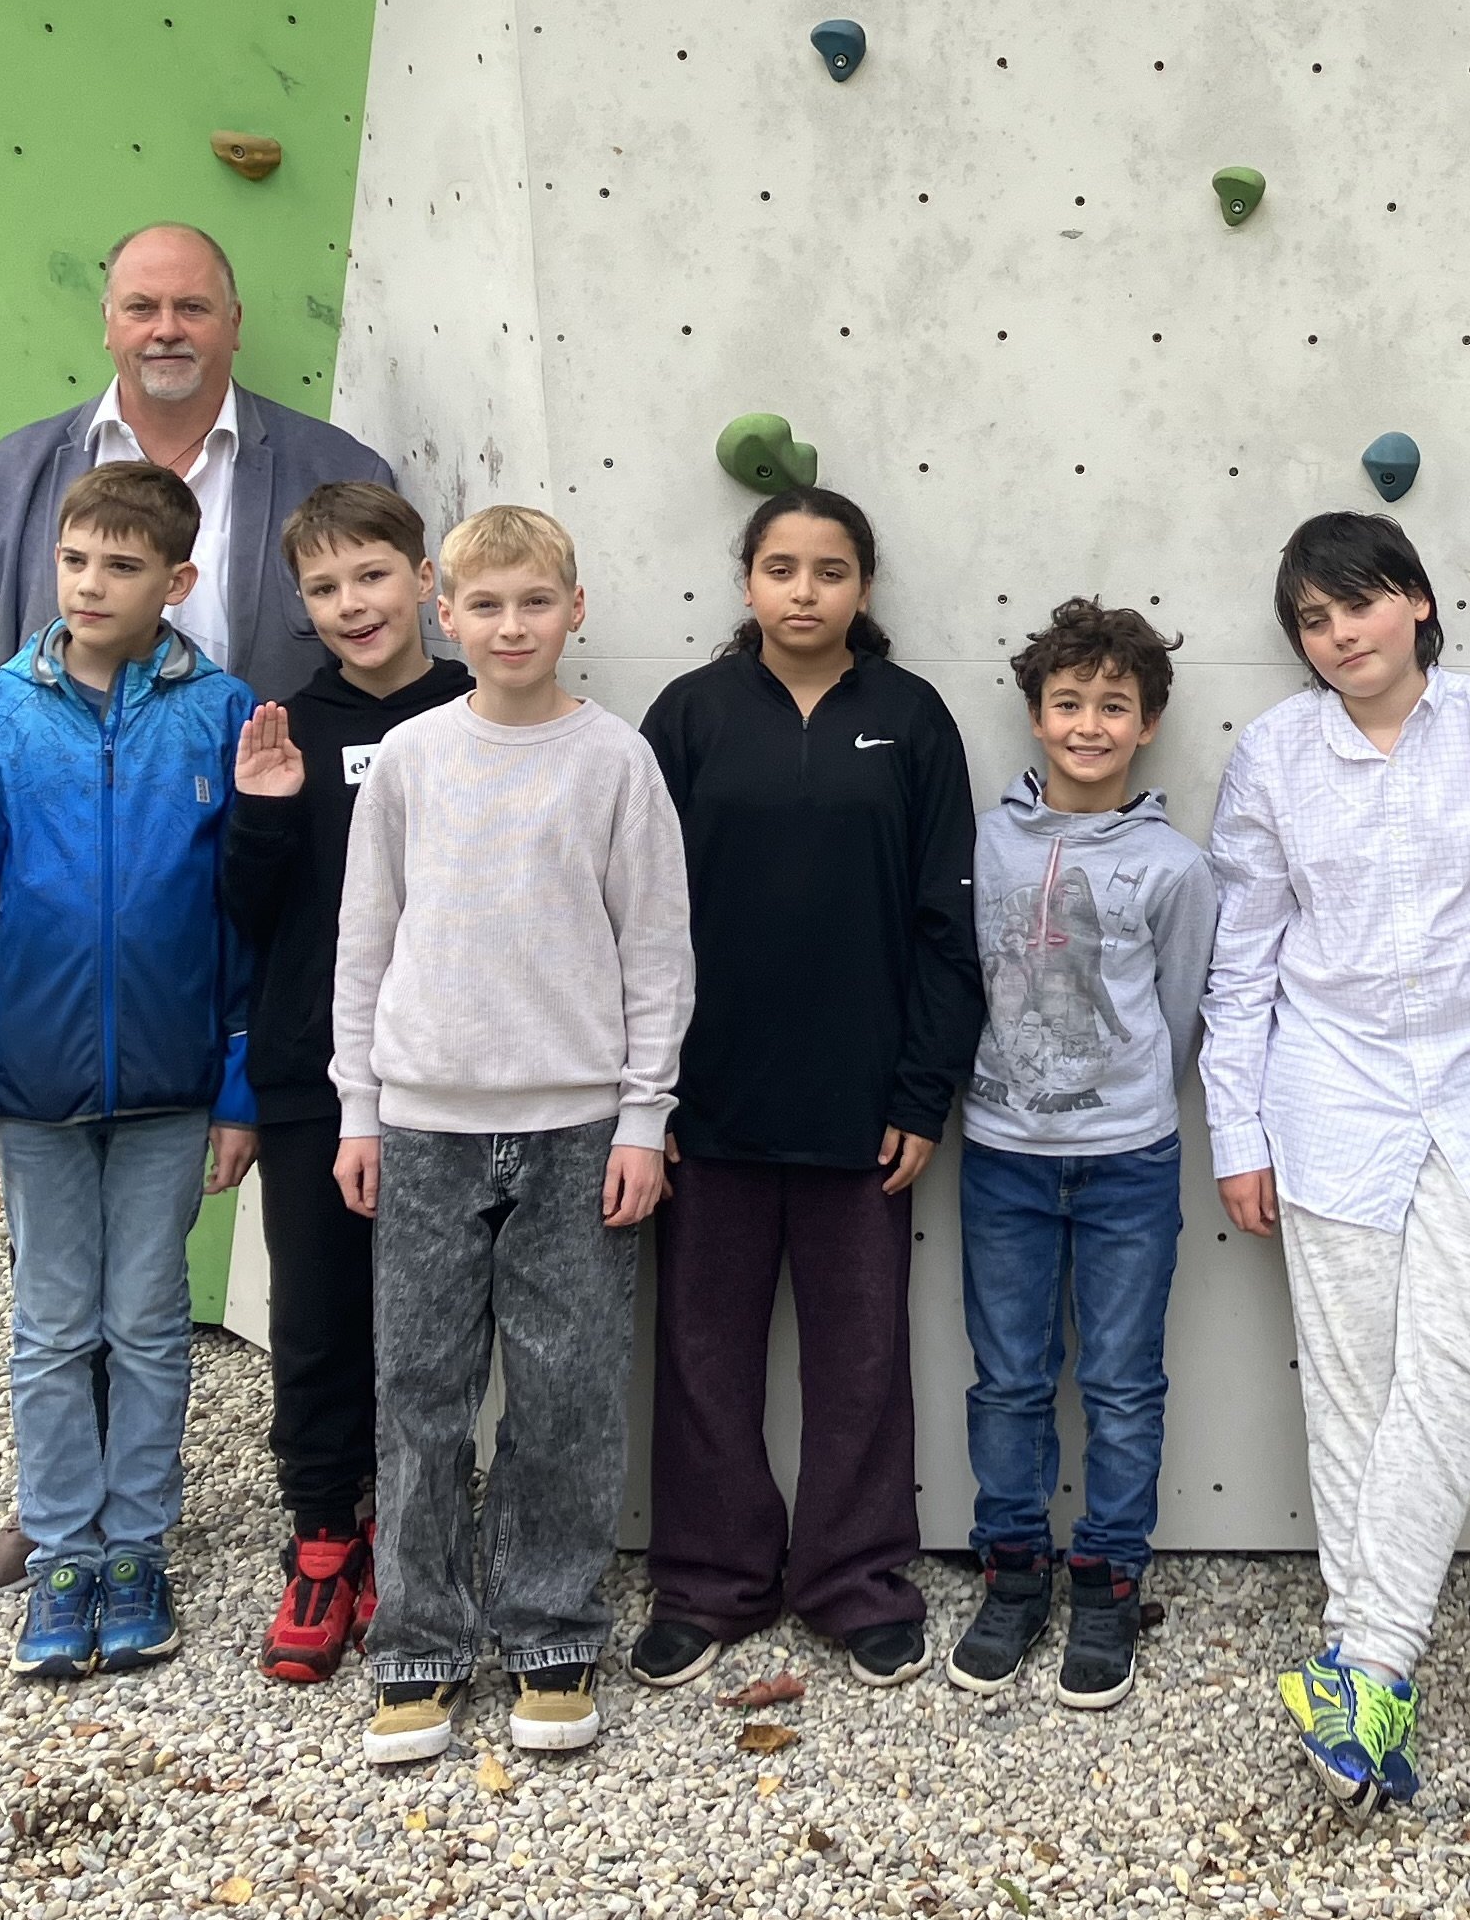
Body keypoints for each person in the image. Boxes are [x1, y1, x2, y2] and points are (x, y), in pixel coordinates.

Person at [0, 218, 395, 1599]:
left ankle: (244, 1503)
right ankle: (71, 1517)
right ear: (108, 323)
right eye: (140, 305)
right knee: (58, 1274)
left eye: (192, 305)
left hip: (246, 902)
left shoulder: (335, 469)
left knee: (197, 1247)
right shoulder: (11, 481)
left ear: (235, 320)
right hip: (54, 917)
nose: (166, 327)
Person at [1203, 512, 1470, 1816]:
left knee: (1459, 1370)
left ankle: (1362, 1662)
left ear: (1417, 602)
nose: (1338, 636)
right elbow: (1242, 965)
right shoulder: (1270, 758)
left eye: (1356, 606)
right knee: (1354, 1395)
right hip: (1326, 1097)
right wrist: (1240, 1133)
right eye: (1312, 623)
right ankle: (1368, 1687)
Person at [330, 504, 692, 1767]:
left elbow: (656, 951)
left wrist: (644, 1114)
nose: (511, 625)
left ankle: (548, 1630)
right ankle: (421, 1645)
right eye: (484, 606)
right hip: (425, 1123)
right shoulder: (413, 758)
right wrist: (359, 1107)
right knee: (421, 1388)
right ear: (447, 615)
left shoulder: (615, 764)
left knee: (566, 1392)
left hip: (576, 1126)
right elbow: (364, 942)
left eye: (534, 602)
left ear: (574, 612)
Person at [631, 488, 985, 1693]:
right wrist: (649, 1096)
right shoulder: (688, 716)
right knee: (700, 1348)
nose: (802, 589)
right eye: (779, 567)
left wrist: (921, 1092)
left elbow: (950, 924)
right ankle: (710, 1577)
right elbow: (634, 919)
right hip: (705, 1104)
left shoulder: (913, 718)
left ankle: (854, 1579)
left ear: (864, 589)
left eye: (829, 570)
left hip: (862, 1107)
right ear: (746, 583)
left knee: (860, 1354)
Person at [0, 459, 257, 1684]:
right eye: (76, 561)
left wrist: (239, 1084)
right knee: (54, 1327)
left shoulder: (222, 714)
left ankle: (138, 1546)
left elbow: (242, 918)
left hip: (172, 1083)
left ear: (178, 580)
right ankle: (63, 1550)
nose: (94, 583)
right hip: (36, 1087)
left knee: (151, 1322)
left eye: (123, 565)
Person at [219, 481, 473, 1687]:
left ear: (423, 579)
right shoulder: (287, 730)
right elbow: (240, 917)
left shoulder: (484, 706)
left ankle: (432, 1533)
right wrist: (265, 820)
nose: (351, 604)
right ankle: (325, 1538)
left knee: (439, 1328)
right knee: (317, 1319)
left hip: (463, 1077)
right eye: (324, 588)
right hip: (317, 1074)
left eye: (371, 575)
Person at [947, 600, 1216, 1712]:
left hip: (1127, 1163)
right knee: (1008, 1378)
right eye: (1071, 703)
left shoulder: (1174, 866)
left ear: (1149, 722)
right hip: (1003, 1153)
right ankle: (1013, 1571)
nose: (1091, 725)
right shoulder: (988, 839)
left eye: (1115, 706)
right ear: (1035, 715)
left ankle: (1109, 1577)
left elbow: (1183, 1009)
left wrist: (1122, 1096)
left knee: (1120, 1382)